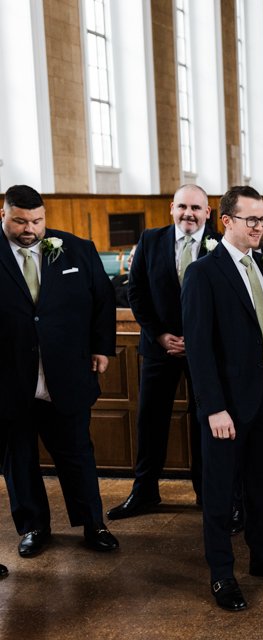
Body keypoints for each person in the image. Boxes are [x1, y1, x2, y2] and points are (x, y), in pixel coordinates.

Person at [182, 185, 263, 611]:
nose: (262, 227)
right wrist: (213, 407)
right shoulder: (204, 273)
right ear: (227, 222)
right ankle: (222, 575)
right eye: (252, 219)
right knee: (220, 494)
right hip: (226, 405)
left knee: (260, 487)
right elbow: (198, 348)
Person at [0, 184, 119, 558]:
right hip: (9, 379)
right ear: (3, 214)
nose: (29, 229)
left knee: (76, 452)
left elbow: (103, 300)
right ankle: (34, 527)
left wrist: (102, 347)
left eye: (37, 220)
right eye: (20, 221)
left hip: (65, 375)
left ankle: (93, 523)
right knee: (18, 458)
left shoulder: (76, 249)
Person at [107, 184, 221, 521]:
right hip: (159, 347)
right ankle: (144, 492)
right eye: (183, 206)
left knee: (206, 421)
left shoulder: (219, 245)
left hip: (206, 350)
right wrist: (160, 335)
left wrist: (199, 338)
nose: (189, 213)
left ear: (208, 213)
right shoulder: (151, 240)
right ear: (172, 207)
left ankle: (208, 493)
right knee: (150, 419)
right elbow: (136, 292)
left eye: (196, 208)